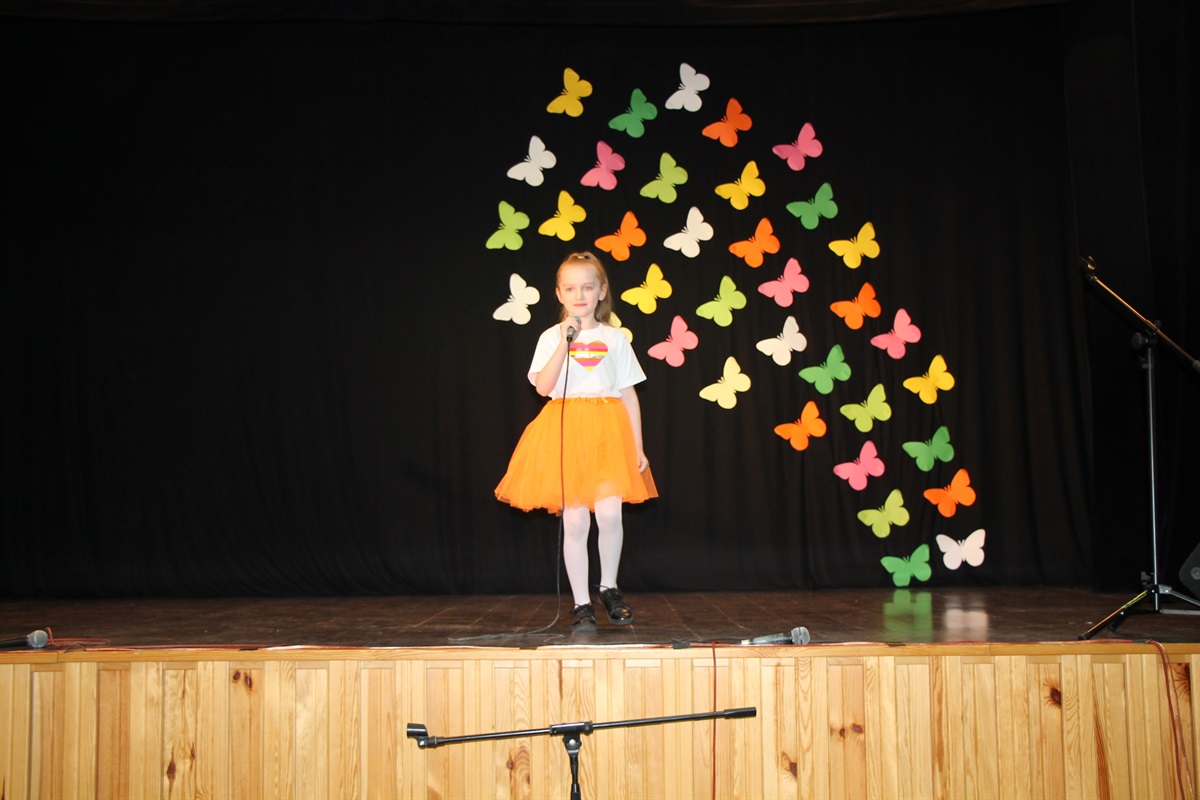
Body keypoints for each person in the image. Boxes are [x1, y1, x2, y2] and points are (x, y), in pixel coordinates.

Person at [495, 251, 657, 631]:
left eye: (587, 287)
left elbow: (629, 394)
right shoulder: (552, 337)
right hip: (567, 431)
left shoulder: (615, 338)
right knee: (575, 519)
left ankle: (609, 587)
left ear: (602, 291)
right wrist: (564, 344)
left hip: (607, 432)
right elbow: (542, 386)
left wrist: (637, 445)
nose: (579, 295)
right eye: (570, 288)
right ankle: (581, 602)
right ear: (559, 294)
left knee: (610, 513)